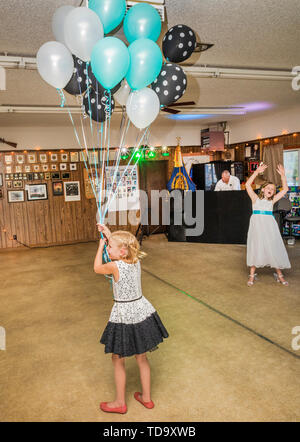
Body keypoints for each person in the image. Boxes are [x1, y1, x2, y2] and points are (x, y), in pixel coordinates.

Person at [94, 225, 169, 414]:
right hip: (140, 311)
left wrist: (100, 244)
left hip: (124, 315)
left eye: (110, 247)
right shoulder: (134, 261)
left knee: (117, 358)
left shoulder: (114, 265)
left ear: (122, 251)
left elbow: (96, 268)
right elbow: (122, 246)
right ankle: (147, 398)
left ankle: (120, 402)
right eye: (107, 246)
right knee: (141, 357)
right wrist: (109, 234)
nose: (107, 249)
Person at [245, 163, 291, 286]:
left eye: (273, 189)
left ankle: (279, 274)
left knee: (273, 247)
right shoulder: (255, 199)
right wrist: (256, 172)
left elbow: (285, 189)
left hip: (269, 227)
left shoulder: (273, 200)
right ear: (263, 189)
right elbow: (248, 185)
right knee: (256, 246)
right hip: (257, 227)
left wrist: (283, 175)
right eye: (268, 188)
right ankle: (252, 274)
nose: (270, 190)